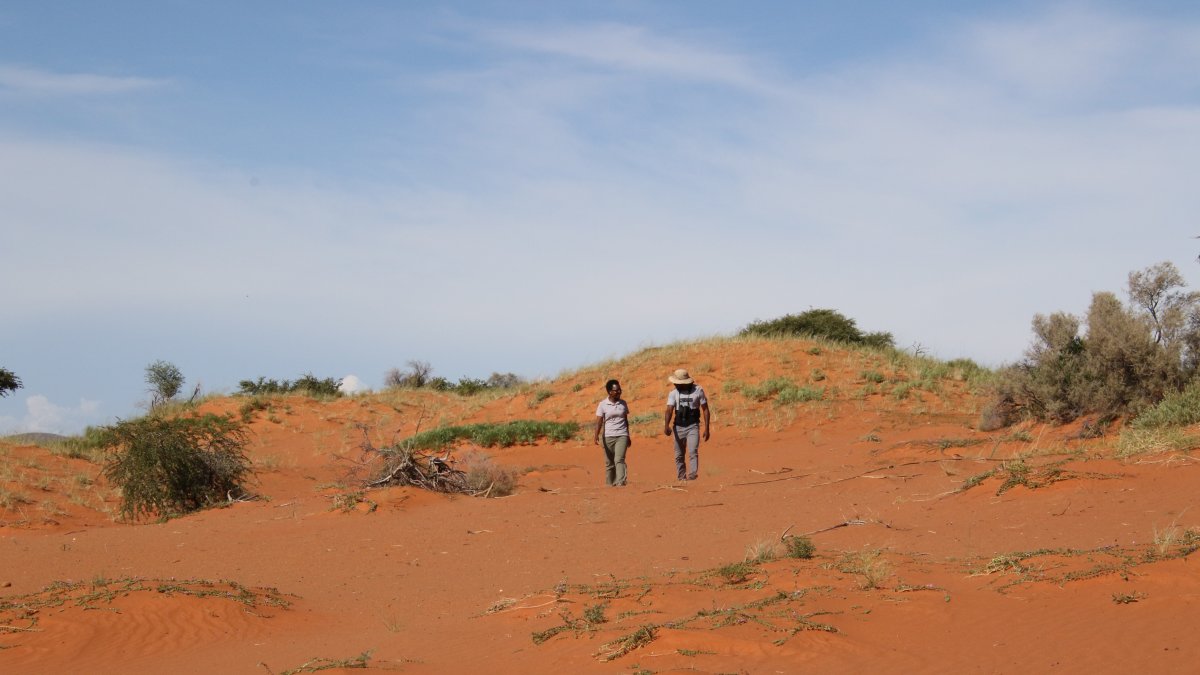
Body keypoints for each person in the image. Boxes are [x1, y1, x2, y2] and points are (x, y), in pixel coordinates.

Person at [663, 368, 710, 481]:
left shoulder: (698, 390)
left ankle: (692, 475)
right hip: (678, 427)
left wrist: (707, 428)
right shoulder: (673, 393)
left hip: (693, 426)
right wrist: (666, 425)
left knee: (693, 451)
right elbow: (669, 410)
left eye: (677, 382)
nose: (675, 384)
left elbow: (705, 409)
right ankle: (681, 477)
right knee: (679, 455)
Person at [594, 379, 631, 486]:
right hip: (608, 436)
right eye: (616, 390)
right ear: (610, 392)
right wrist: (596, 435)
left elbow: (625, 420)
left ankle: (620, 482)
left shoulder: (623, 403)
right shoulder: (602, 404)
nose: (619, 392)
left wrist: (628, 435)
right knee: (609, 463)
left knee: (619, 459)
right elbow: (599, 421)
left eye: (620, 390)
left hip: (622, 435)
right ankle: (609, 485)